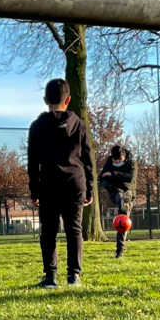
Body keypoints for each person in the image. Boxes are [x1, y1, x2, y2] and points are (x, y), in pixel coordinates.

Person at [27, 78, 94, 288]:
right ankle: (74, 276)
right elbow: (88, 159)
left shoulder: (37, 126)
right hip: (75, 182)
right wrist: (90, 188)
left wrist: (34, 190)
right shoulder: (79, 124)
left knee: (48, 231)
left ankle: (50, 277)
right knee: (74, 229)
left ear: (45, 100)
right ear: (68, 100)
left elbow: (33, 162)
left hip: (49, 184)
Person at [99, 145, 137, 258]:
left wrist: (112, 174)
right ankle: (123, 200)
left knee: (123, 220)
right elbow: (102, 180)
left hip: (129, 190)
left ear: (124, 157)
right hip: (115, 190)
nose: (116, 162)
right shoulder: (109, 163)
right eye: (114, 160)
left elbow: (130, 178)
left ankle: (120, 250)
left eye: (119, 160)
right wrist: (110, 186)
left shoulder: (131, 163)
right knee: (120, 197)